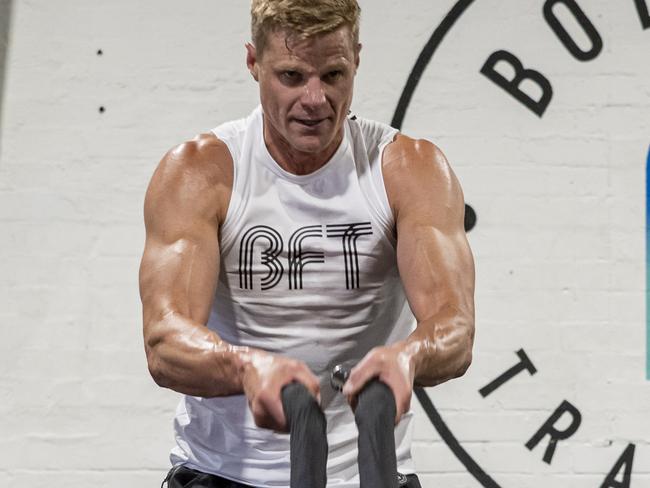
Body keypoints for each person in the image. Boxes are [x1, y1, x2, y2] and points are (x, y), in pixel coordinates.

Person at [138, 1, 475, 487]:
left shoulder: (408, 169)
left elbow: (456, 328)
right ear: (254, 63)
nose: (315, 99)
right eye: (292, 76)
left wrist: (408, 356)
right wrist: (245, 367)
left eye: (333, 74)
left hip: (367, 475)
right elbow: (165, 342)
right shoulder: (202, 171)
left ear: (356, 59)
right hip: (220, 473)